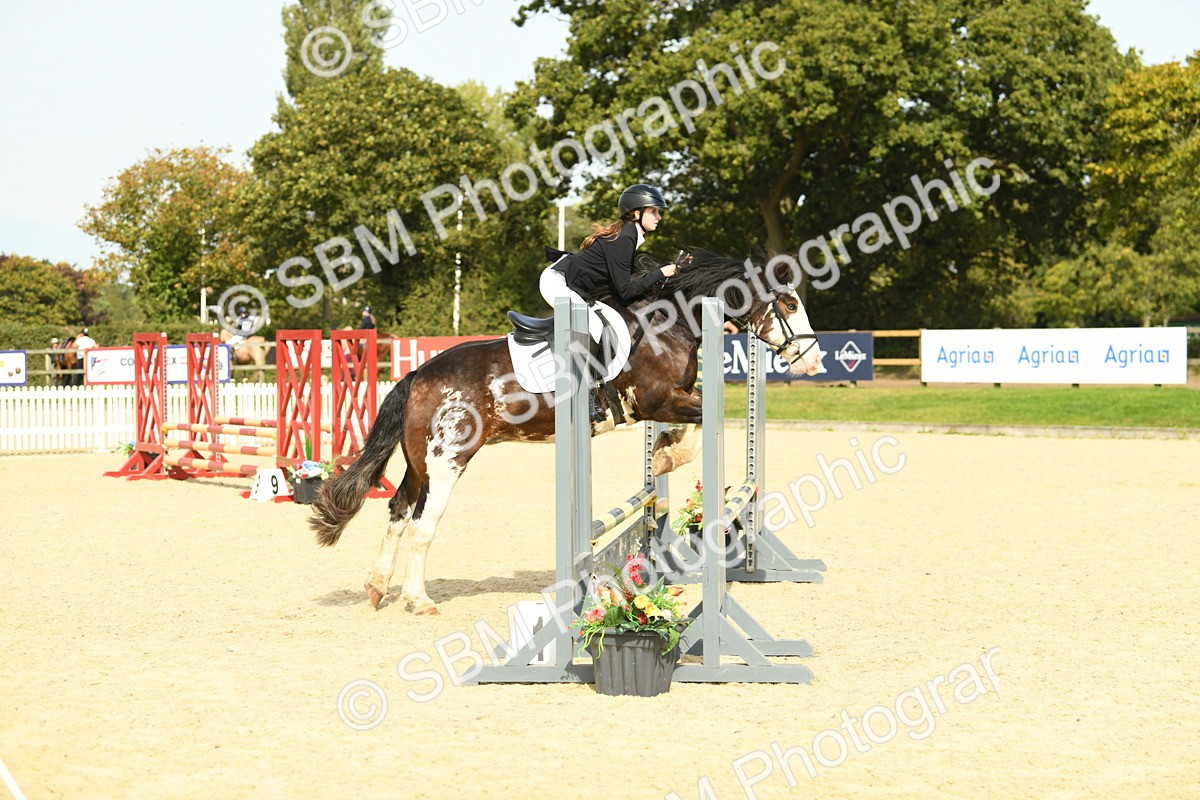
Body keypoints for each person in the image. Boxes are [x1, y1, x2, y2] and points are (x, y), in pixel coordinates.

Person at [539, 183, 680, 421]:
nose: (659, 216)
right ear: (636, 213)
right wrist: (660, 273)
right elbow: (625, 291)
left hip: (577, 287)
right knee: (593, 326)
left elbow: (625, 285)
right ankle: (586, 395)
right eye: (654, 211)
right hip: (557, 283)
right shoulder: (625, 238)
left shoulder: (631, 235)